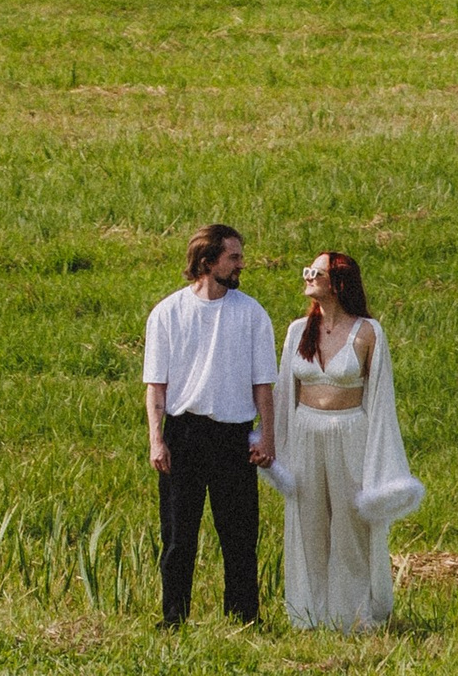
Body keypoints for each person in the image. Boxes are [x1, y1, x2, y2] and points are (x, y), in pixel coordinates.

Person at [263, 249, 422, 628]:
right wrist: (272, 445)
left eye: (315, 272)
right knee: (308, 523)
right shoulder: (297, 331)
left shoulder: (367, 332)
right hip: (305, 432)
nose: (307, 277)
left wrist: (379, 459)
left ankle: (351, 615)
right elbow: (284, 392)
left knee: (350, 524)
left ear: (338, 282)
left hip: (350, 431)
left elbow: (380, 397)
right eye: (308, 271)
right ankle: (308, 612)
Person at [143, 222, 276, 625]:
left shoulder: (251, 314)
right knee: (178, 537)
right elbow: (156, 386)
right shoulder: (167, 313)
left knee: (239, 537)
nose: (241, 265)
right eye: (233, 257)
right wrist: (155, 440)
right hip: (183, 435)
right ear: (206, 261)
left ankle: (243, 619)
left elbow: (263, 386)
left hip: (233, 436)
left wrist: (266, 437)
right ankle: (174, 618)